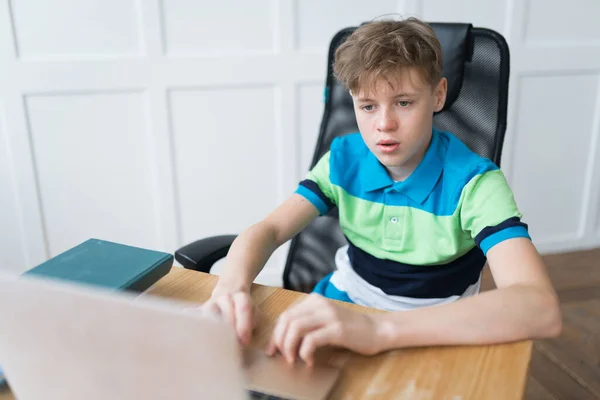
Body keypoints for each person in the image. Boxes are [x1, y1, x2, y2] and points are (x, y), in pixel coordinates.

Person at [201, 17, 562, 366]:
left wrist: (379, 328)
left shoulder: (475, 184)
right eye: (367, 106)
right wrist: (230, 287)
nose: (384, 124)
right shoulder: (343, 160)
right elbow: (270, 229)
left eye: (403, 102)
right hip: (344, 303)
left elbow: (539, 307)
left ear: (438, 95)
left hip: (435, 327)